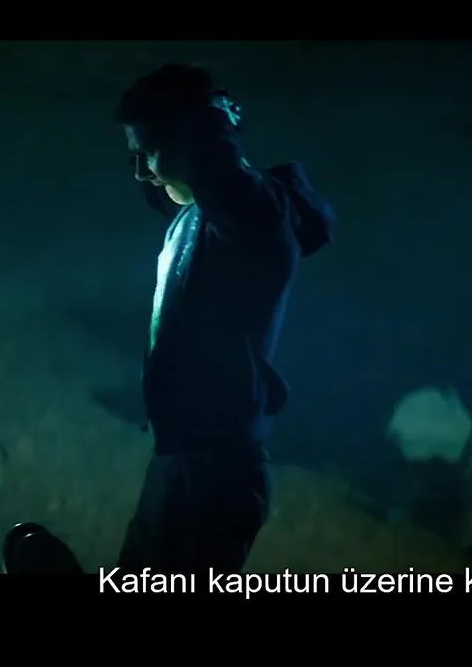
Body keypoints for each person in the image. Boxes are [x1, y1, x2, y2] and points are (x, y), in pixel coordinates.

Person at [113, 64, 335, 575]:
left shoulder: (258, 220)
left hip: (216, 474)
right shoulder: (196, 221)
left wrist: (206, 119)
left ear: (197, 141)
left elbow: (228, 185)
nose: (142, 171)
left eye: (150, 151)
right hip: (182, 462)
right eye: (133, 156)